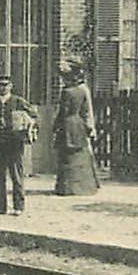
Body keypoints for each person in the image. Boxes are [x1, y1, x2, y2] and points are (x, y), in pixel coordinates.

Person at [0, 73, 39, 215]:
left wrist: (25, 124)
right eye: (0, 85)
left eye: (5, 85)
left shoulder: (18, 101)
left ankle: (18, 207)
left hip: (14, 144)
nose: (2, 88)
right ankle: (0, 207)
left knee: (16, 175)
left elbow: (33, 115)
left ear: (10, 86)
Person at [53, 57, 100, 196]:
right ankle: (85, 186)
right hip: (78, 125)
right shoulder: (79, 89)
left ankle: (68, 187)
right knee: (80, 153)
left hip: (69, 124)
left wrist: (56, 125)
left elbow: (85, 110)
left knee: (68, 155)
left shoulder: (72, 91)